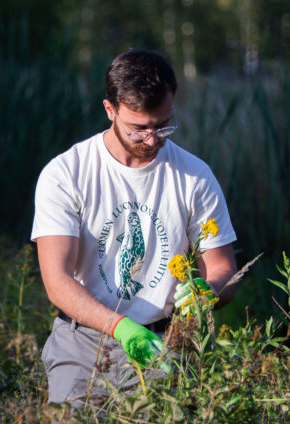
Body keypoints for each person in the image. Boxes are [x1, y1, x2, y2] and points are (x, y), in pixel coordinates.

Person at [32, 49, 238, 405]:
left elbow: (222, 269)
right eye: (139, 129)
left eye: (164, 125)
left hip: (163, 341)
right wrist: (120, 327)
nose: (153, 139)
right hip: (82, 341)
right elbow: (57, 281)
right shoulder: (66, 174)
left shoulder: (195, 177)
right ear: (109, 110)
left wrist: (208, 291)